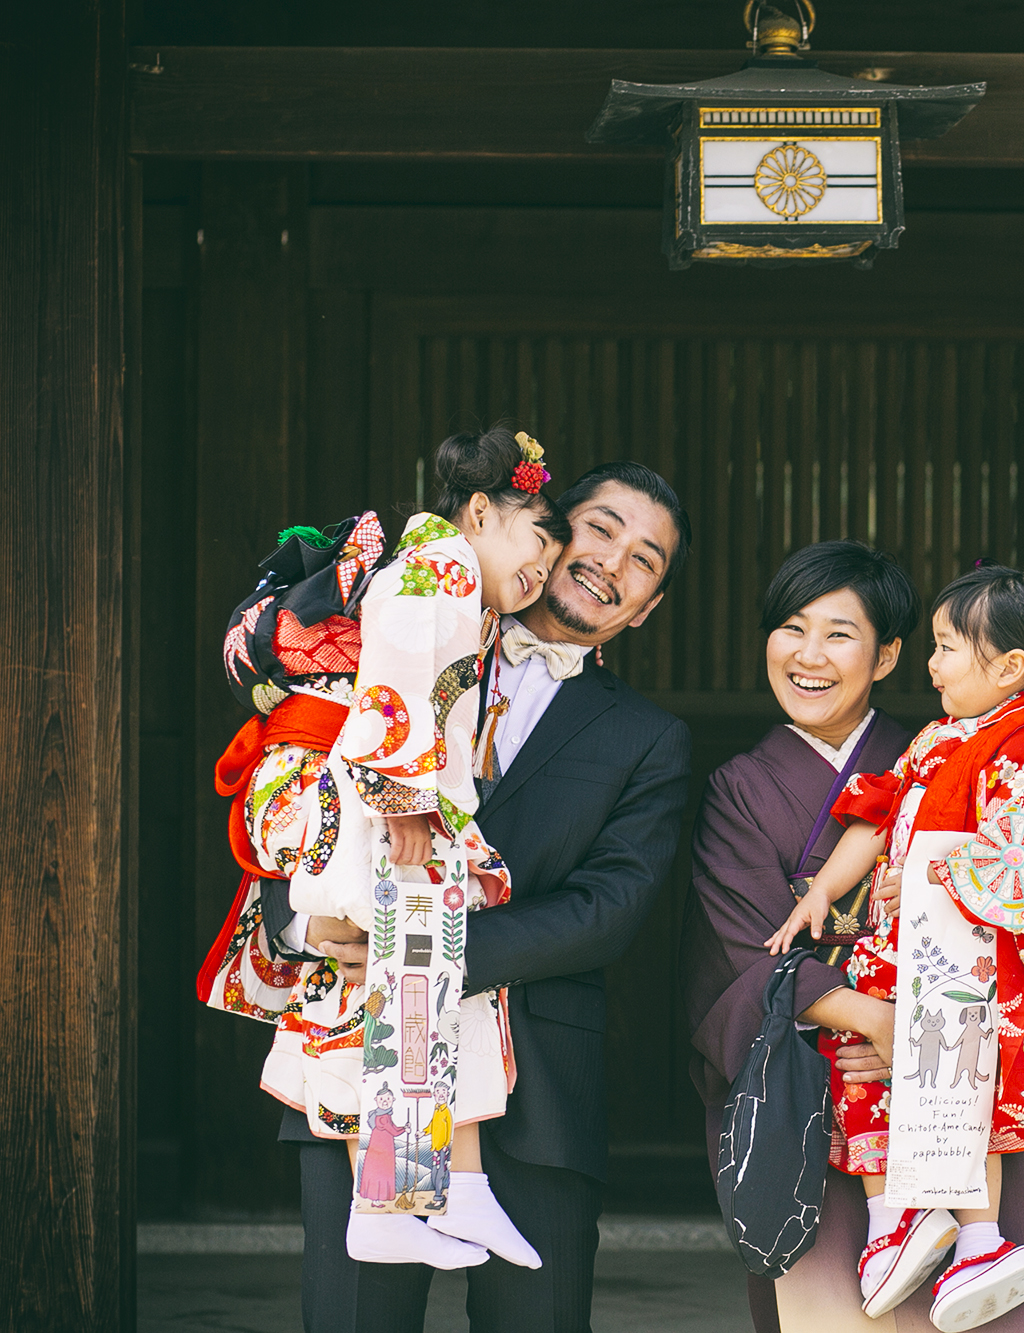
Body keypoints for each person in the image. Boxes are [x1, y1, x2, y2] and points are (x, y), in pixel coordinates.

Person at [262, 460, 694, 1333]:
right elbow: (312, 780)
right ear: (546, 528)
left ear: (647, 607)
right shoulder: (398, 627)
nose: (613, 559)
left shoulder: (651, 738)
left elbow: (609, 908)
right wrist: (311, 920)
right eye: (601, 528)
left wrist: (424, 946)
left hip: (540, 1090)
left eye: (644, 559)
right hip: (363, 1052)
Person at [682, 541, 1024, 1332]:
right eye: (791, 627)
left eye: (839, 633)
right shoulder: (742, 789)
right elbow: (744, 951)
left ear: (891, 654)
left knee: (975, 1293)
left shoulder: (951, 755)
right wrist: (877, 1020)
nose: (808, 655)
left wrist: (928, 1028)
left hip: (949, 1079)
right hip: (812, 1098)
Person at [225, 427, 564, 1271]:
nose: (544, 566)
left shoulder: (463, 582)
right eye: (538, 537)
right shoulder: (438, 556)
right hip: (362, 793)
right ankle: (381, 1201)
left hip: (380, 791)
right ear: (481, 510)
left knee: (428, 988)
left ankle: (454, 1187)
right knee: (375, 989)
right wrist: (404, 799)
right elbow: (400, 672)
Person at [768, 563, 1024, 1332]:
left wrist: (934, 869)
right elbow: (880, 811)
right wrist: (826, 888)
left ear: (1012, 666)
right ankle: (897, 1221)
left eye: (948, 648)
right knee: (864, 1064)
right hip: (914, 949)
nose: (931, 664)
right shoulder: (940, 736)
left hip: (980, 962)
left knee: (962, 1090)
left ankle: (983, 1241)